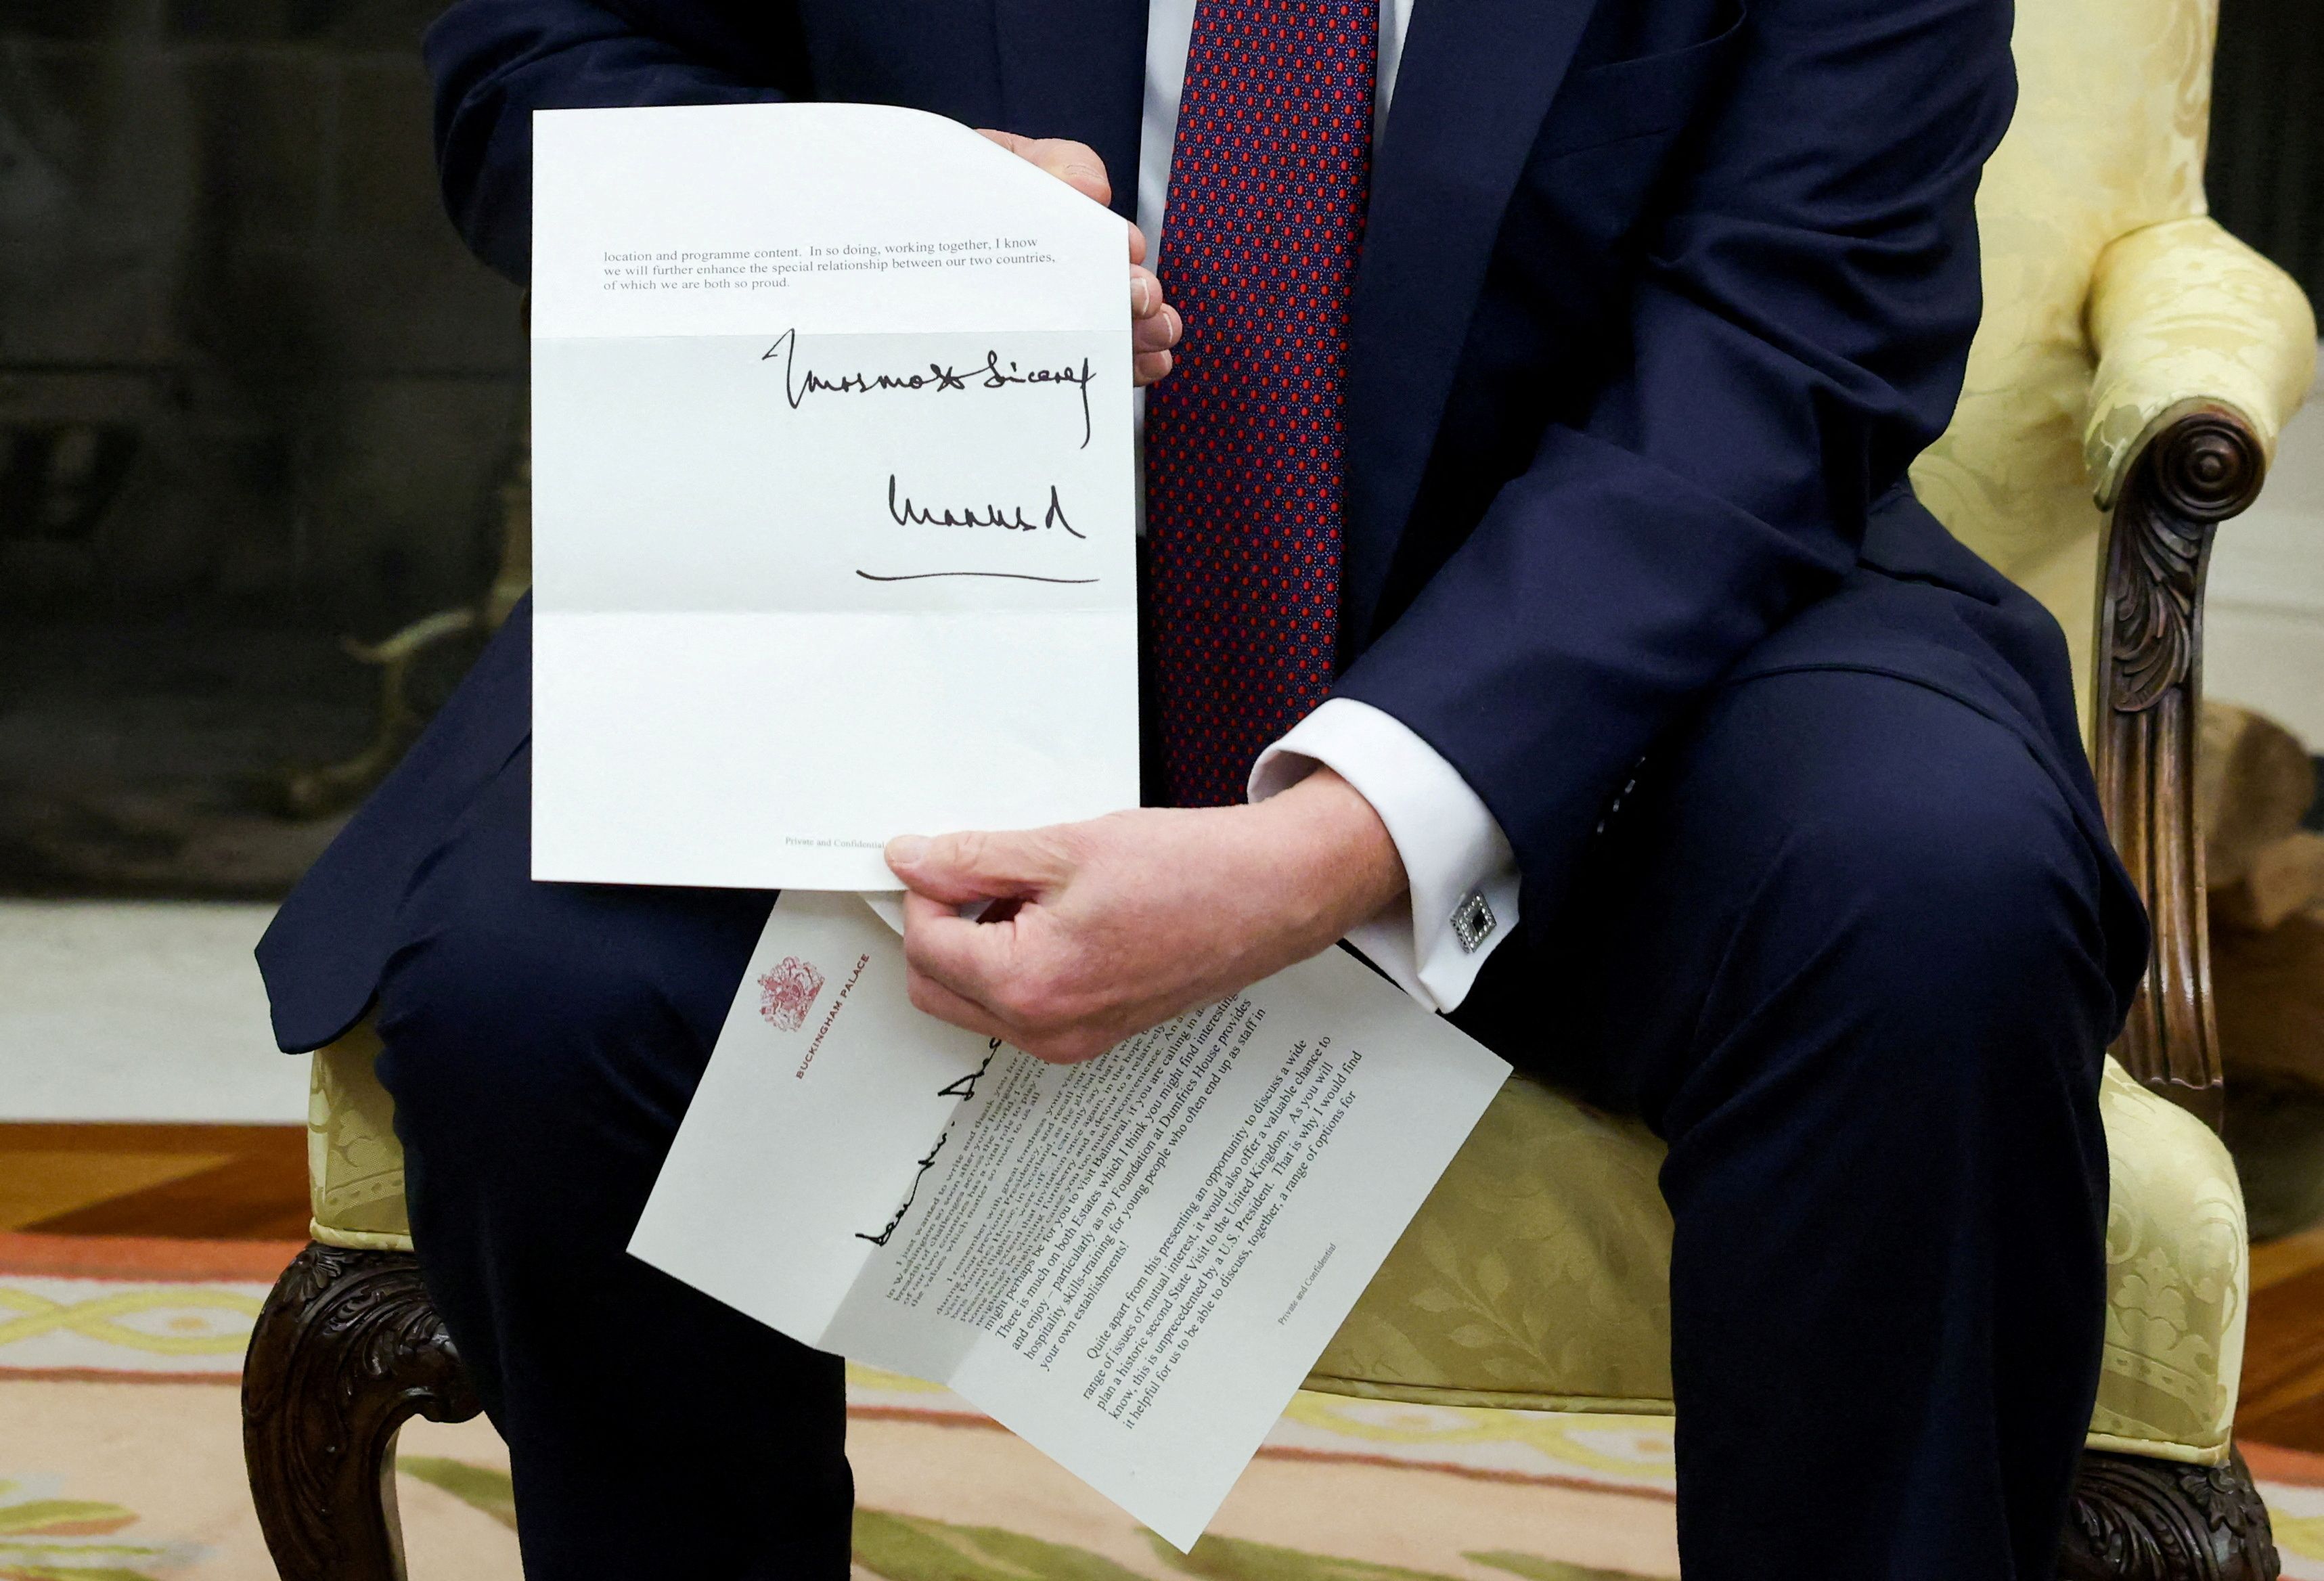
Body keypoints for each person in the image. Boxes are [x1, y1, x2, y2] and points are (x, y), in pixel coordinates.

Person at [257, 0, 2151, 1575]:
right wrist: (866, 210)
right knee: (530, 976)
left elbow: (1792, 333)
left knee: (1930, 905)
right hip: (918, 545)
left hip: (1637, 598)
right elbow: (539, 56)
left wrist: (1325, 846)